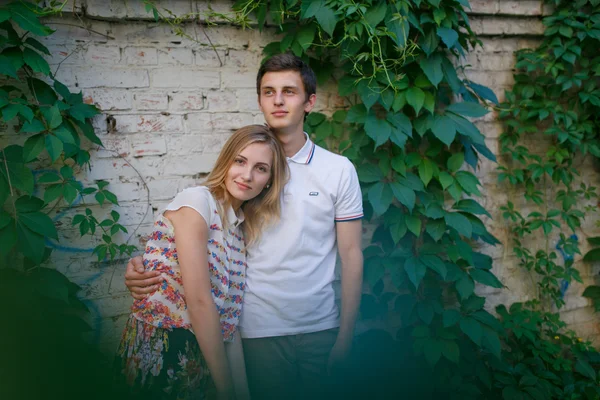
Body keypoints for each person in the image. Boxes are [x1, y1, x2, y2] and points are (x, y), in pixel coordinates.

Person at [124, 54, 364, 400]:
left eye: (289, 91)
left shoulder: (337, 170)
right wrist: (146, 264)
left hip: (319, 326)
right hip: (254, 330)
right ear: (259, 100)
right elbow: (200, 225)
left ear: (309, 101)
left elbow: (352, 254)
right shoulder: (247, 170)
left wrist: (347, 336)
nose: (278, 100)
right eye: (269, 92)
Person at [115, 125, 288, 400]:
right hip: (162, 349)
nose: (247, 175)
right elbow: (199, 301)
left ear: (269, 180)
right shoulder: (198, 202)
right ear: (226, 160)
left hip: (205, 359)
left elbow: (228, 324)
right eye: (240, 161)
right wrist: (227, 389)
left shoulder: (238, 231)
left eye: (261, 168)